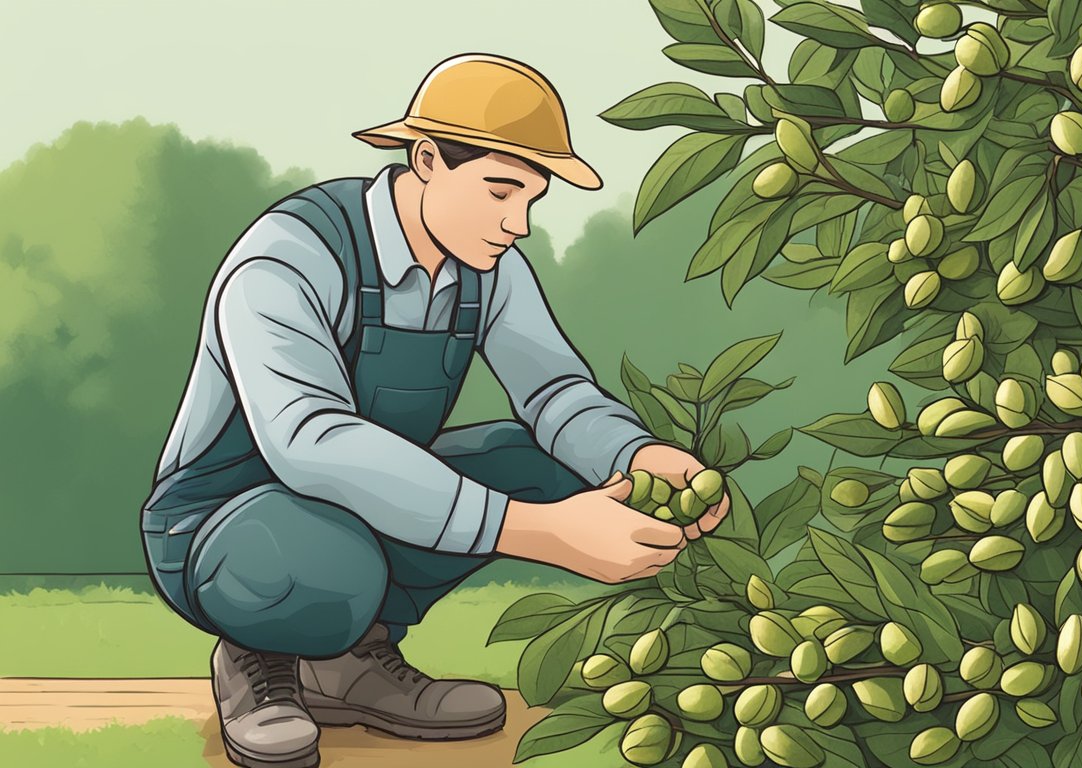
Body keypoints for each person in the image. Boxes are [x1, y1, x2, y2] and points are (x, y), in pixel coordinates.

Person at [138, 52, 730, 768]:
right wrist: (537, 532)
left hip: (366, 507)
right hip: (221, 524)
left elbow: (554, 395)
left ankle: (351, 662)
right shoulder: (289, 255)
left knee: (543, 465)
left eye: (531, 200)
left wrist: (635, 458)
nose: (518, 223)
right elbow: (310, 439)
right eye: (500, 191)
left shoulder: (489, 267)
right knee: (322, 554)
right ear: (426, 160)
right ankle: (258, 660)